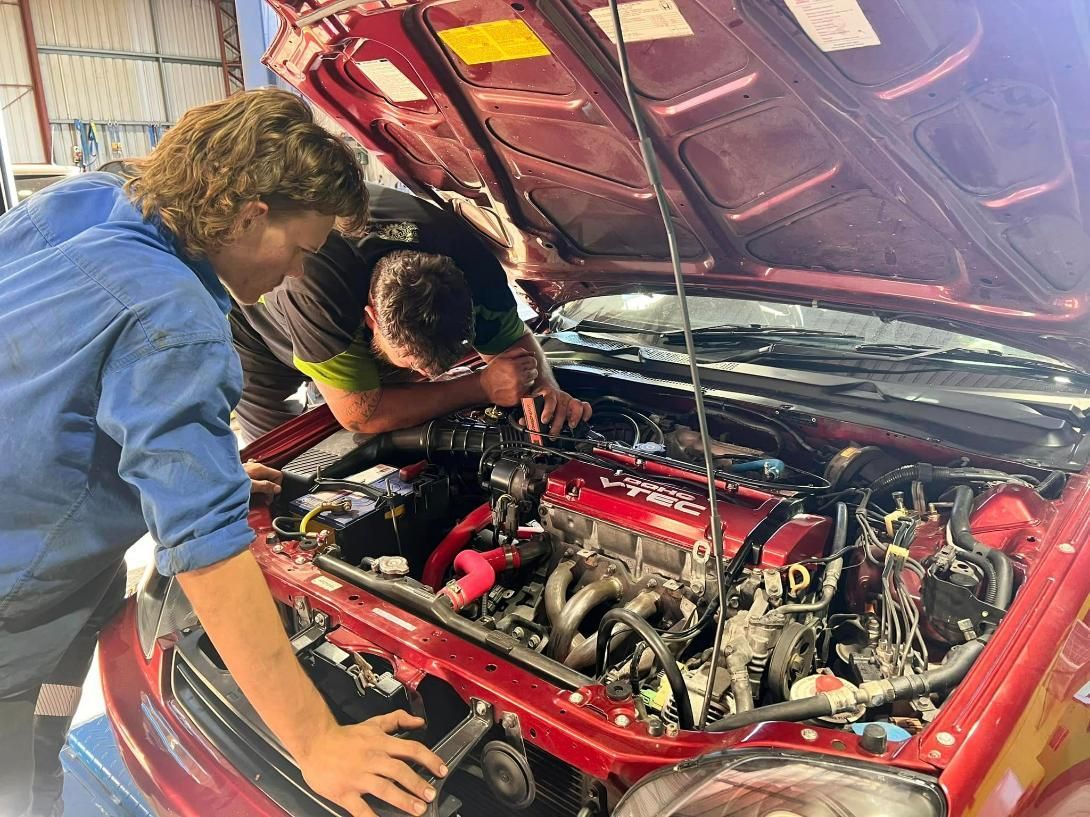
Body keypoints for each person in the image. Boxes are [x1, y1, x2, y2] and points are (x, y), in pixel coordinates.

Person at [0, 89, 444, 817]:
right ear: (248, 215)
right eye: (301, 249)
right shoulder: (176, 314)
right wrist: (317, 742)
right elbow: (204, 550)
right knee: (14, 763)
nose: (298, 274)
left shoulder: (96, 197)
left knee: (44, 722)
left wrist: (196, 467)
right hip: (17, 586)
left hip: (54, 545)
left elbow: (67, 352)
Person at [229, 182, 592, 444]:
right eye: (410, 362)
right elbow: (361, 413)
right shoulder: (315, 285)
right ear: (370, 318)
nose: (426, 375)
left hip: (353, 303)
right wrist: (478, 385)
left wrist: (546, 390)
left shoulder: (476, 271)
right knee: (285, 466)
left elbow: (515, 348)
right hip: (261, 338)